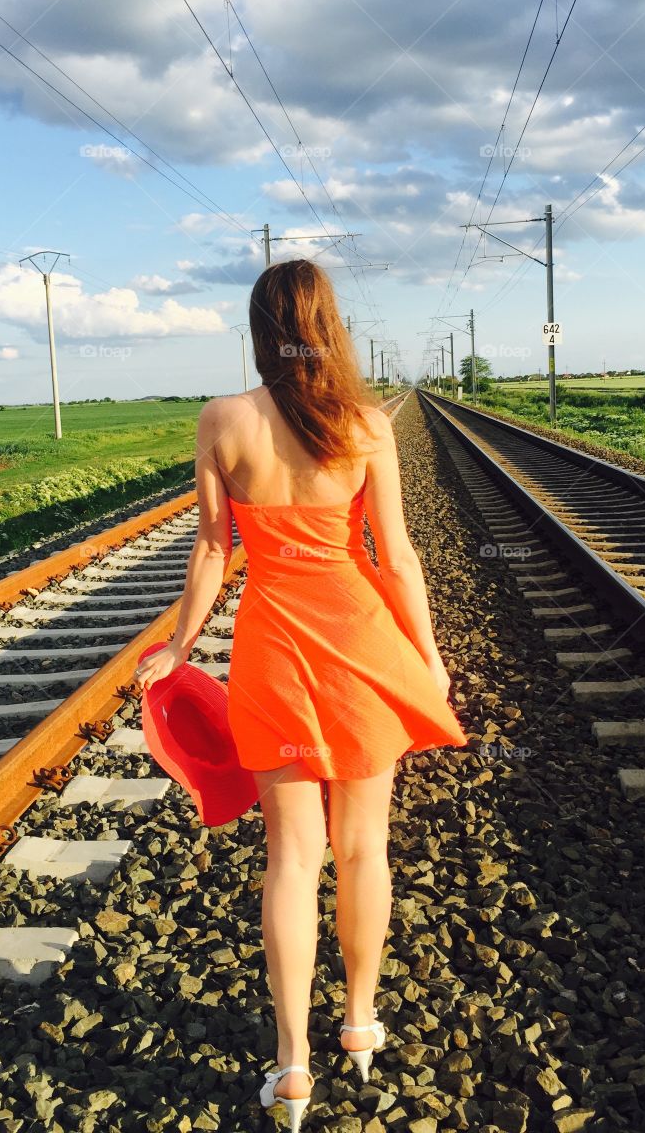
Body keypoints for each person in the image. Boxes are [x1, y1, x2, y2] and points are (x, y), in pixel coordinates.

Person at [133, 259, 467, 1130]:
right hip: (363, 650)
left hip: (272, 652)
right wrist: (429, 660)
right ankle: (359, 1022)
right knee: (363, 849)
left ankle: (292, 1064)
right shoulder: (364, 424)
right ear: (329, 326)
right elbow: (397, 556)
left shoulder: (223, 420)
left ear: (260, 330)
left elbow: (214, 550)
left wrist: (179, 649)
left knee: (291, 860)